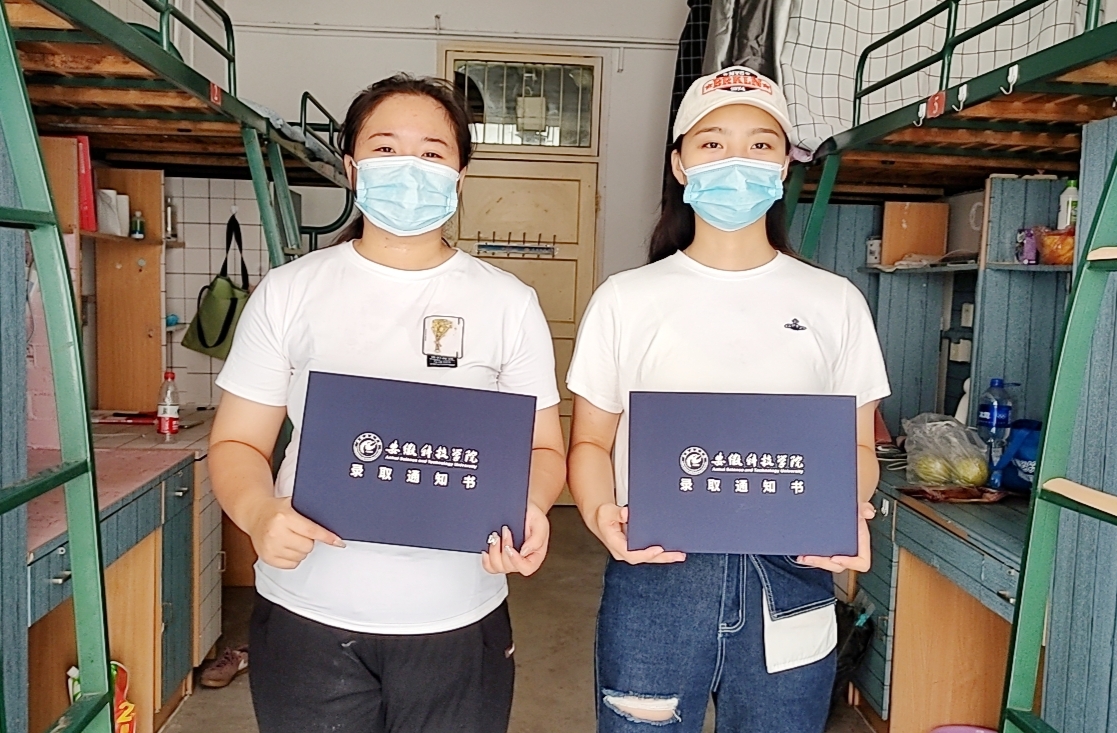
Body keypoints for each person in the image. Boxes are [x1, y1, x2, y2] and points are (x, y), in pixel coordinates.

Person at [208, 74, 566, 733]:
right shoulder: (290, 292)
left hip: (458, 616)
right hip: (308, 612)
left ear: (460, 174)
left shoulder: (507, 303)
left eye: (431, 152)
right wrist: (258, 513)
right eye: (385, 148)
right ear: (352, 167)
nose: (409, 168)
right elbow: (236, 442)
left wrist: (531, 507)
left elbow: (542, 448)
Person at [566, 66, 890, 733]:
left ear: (783, 166)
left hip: (791, 576)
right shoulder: (626, 300)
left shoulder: (834, 303)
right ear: (680, 163)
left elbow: (857, 446)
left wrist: (840, 512)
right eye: (712, 143)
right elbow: (591, 442)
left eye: (759, 144)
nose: (735, 160)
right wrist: (601, 515)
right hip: (657, 577)